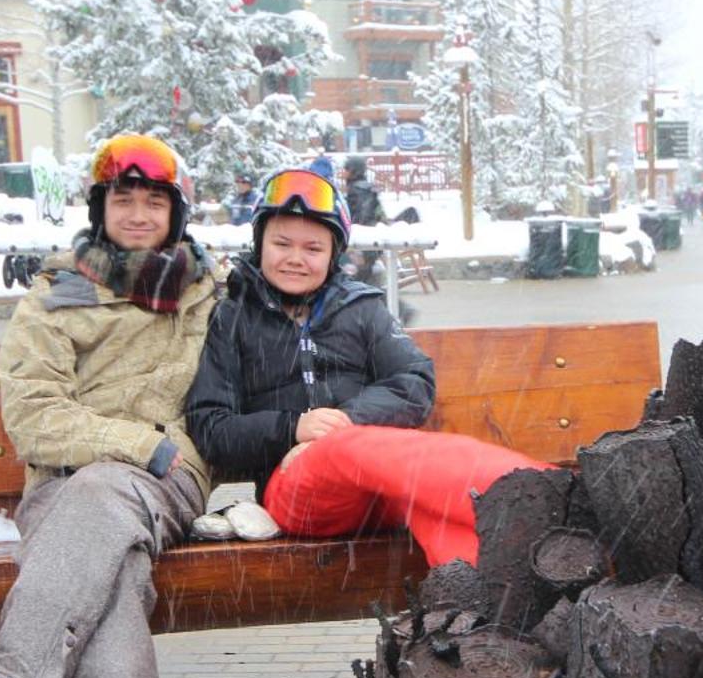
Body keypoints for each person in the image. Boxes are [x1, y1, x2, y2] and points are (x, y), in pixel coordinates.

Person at [0, 134, 218, 678]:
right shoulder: (58, 295)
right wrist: (130, 444)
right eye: (123, 199)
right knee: (110, 555)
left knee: (102, 502)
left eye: (156, 202)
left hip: (168, 477)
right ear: (100, 208)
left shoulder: (210, 291)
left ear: (176, 214)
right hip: (69, 484)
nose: (139, 215)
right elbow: (34, 414)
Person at [186, 167, 548, 567]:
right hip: (296, 490)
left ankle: (493, 602)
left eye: (313, 248)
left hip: (381, 488)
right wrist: (293, 427)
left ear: (333, 254)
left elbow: (413, 381)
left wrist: (346, 418)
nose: (295, 259)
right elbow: (210, 426)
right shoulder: (233, 319)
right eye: (282, 244)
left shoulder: (360, 309)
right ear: (259, 243)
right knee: (353, 453)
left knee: (435, 512)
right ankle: (543, 497)